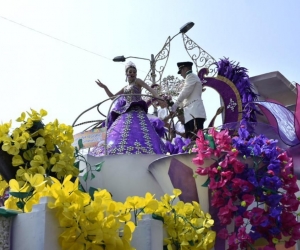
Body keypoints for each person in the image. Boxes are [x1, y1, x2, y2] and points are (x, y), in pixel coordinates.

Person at [89, 61, 167, 156]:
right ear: (126, 73)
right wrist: (105, 87)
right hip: (126, 112)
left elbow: (150, 89)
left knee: (141, 134)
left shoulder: (138, 81)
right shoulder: (125, 87)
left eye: (134, 72)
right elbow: (113, 98)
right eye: (130, 72)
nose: (132, 74)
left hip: (137, 111)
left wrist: (159, 97)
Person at [171, 61, 206, 138]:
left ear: (185, 69)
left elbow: (186, 91)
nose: (181, 74)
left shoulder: (190, 76)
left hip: (194, 112)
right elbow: (186, 97)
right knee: (190, 138)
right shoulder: (191, 77)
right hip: (190, 112)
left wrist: (175, 104)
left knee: (196, 138)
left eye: (181, 71)